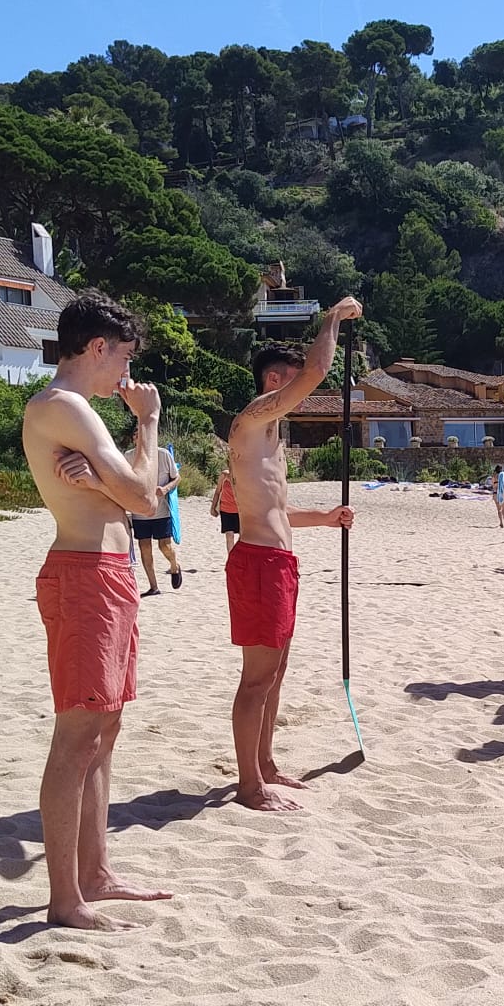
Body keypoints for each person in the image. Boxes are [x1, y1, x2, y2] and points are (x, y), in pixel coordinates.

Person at [20, 292, 174, 931]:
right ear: (97, 348)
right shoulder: (63, 406)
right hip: (84, 575)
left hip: (107, 575)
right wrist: (148, 424)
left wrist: (109, 480)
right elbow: (143, 493)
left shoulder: (77, 410)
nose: (126, 377)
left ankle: (96, 873)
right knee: (78, 736)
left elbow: (146, 496)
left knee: (104, 734)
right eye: (124, 359)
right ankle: (65, 899)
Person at [226, 302, 363, 812]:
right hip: (258, 563)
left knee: (276, 672)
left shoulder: (271, 438)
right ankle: (248, 784)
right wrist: (331, 320)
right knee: (257, 677)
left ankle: (264, 763)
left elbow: (277, 510)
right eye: (292, 383)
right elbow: (318, 370)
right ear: (276, 380)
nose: (302, 393)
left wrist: (325, 518)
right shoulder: (252, 419)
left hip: (278, 562)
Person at [131, 442, 183, 594]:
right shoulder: (129, 456)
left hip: (161, 511)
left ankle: (175, 566)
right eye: (137, 436)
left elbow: (177, 477)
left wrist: (166, 488)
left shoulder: (163, 454)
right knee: (144, 548)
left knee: (164, 546)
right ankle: (153, 587)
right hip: (139, 512)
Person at [211, 469, 239, 552]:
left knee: (243, 538)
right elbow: (217, 492)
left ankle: (239, 556)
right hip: (226, 509)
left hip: (240, 511)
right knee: (229, 536)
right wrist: (213, 507)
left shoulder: (244, 474)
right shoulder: (224, 475)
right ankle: (231, 558)